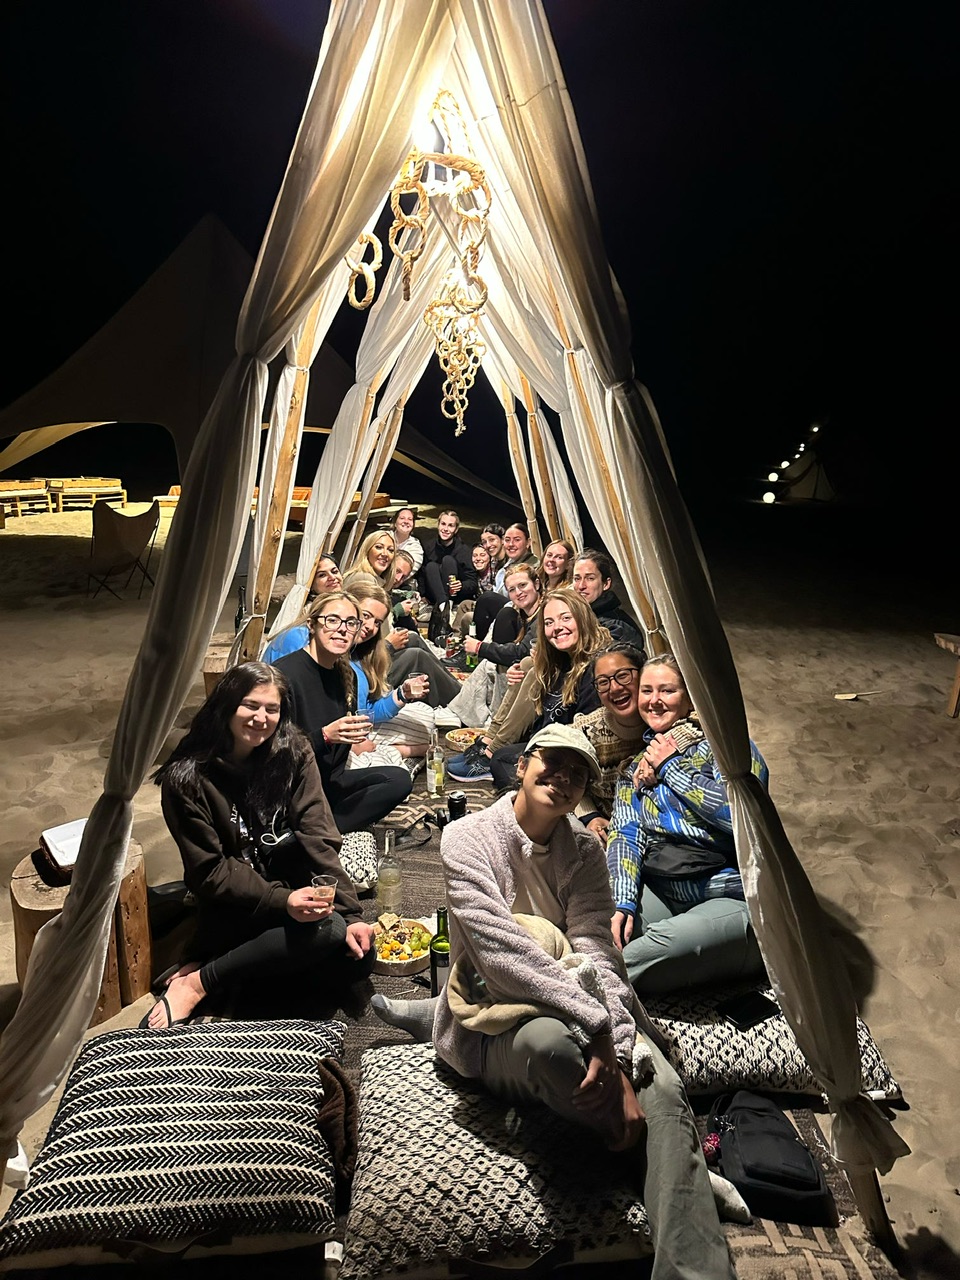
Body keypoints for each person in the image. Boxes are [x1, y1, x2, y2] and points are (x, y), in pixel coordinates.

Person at [372, 723, 737, 1280]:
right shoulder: (467, 838)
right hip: (494, 1016)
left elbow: (597, 956)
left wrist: (616, 1038)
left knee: (660, 1083)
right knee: (554, 1048)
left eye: (578, 771)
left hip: (576, 999)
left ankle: (690, 1246)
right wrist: (595, 1031)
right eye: (552, 761)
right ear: (523, 764)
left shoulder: (585, 851)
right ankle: (668, 1165)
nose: (562, 777)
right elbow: (503, 959)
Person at [142, 661, 375, 1029]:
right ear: (226, 705)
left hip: (287, 884)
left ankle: (227, 962)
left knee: (358, 956)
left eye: (272, 708)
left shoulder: (293, 750)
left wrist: (351, 913)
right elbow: (211, 872)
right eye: (250, 705)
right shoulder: (187, 777)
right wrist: (284, 902)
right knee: (326, 935)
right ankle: (198, 982)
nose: (261, 718)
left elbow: (319, 834)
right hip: (235, 900)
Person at [607, 653, 768, 996]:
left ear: (689, 698)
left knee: (654, 948)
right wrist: (621, 901)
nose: (654, 700)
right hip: (666, 888)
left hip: (732, 894)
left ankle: (576, 994)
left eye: (667, 690)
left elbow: (746, 818)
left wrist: (672, 768)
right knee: (606, 930)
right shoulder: (634, 769)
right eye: (647, 691)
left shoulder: (727, 750)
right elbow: (625, 834)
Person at [273, 590, 412, 832]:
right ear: (312, 625)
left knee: (398, 780)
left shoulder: (346, 675)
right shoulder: (284, 676)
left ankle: (319, 826)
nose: (342, 629)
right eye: (332, 620)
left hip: (328, 783)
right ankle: (303, 834)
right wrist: (325, 736)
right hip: (292, 789)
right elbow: (273, 757)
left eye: (351, 623)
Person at [449, 587, 606, 786]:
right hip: (546, 731)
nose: (557, 627)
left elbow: (579, 734)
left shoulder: (596, 668)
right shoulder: (561, 658)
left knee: (501, 758)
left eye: (566, 618)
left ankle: (492, 751)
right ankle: (490, 740)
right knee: (527, 666)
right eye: (549, 622)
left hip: (567, 748)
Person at [347, 579, 435, 761]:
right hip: (334, 737)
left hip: (359, 727)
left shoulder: (360, 653)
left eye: (377, 622)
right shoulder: (306, 642)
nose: (370, 626)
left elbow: (367, 712)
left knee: (425, 717)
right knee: (394, 775)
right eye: (365, 615)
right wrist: (351, 742)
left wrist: (403, 694)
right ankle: (399, 752)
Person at [573, 642, 649, 845]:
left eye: (623, 676)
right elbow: (568, 780)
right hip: (606, 829)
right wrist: (590, 816)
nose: (614, 688)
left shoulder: (663, 718)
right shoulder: (585, 730)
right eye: (603, 682)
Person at [472, 522, 539, 639]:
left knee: (487, 599)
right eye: (508, 540)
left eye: (517, 540)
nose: (511, 544)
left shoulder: (532, 566)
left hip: (519, 610)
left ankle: (476, 647)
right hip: (506, 607)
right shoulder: (507, 564)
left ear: (528, 543)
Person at [572, 550, 646, 653]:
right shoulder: (576, 618)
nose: (581, 586)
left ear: (606, 583)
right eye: (577, 578)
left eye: (590, 578)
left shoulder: (618, 627)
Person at [419, 509, 478, 639]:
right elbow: (422, 574)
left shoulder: (463, 551)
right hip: (435, 595)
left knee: (448, 561)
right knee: (431, 566)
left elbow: (472, 583)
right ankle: (444, 608)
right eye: (443, 524)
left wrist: (461, 586)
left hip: (454, 595)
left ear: (456, 529)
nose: (446, 529)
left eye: (450, 525)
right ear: (438, 525)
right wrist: (422, 594)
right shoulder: (429, 546)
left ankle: (446, 607)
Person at [450, 543, 496, 635]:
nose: (478, 559)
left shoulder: (495, 573)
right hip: (479, 605)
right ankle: (456, 637)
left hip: (492, 608)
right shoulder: (474, 575)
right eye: (475, 556)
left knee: (468, 615)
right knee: (464, 604)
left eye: (482, 555)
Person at [393, 506, 423, 574]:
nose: (406, 521)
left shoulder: (416, 547)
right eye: (402, 518)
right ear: (395, 523)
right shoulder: (383, 537)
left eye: (410, 519)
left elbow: (409, 571)